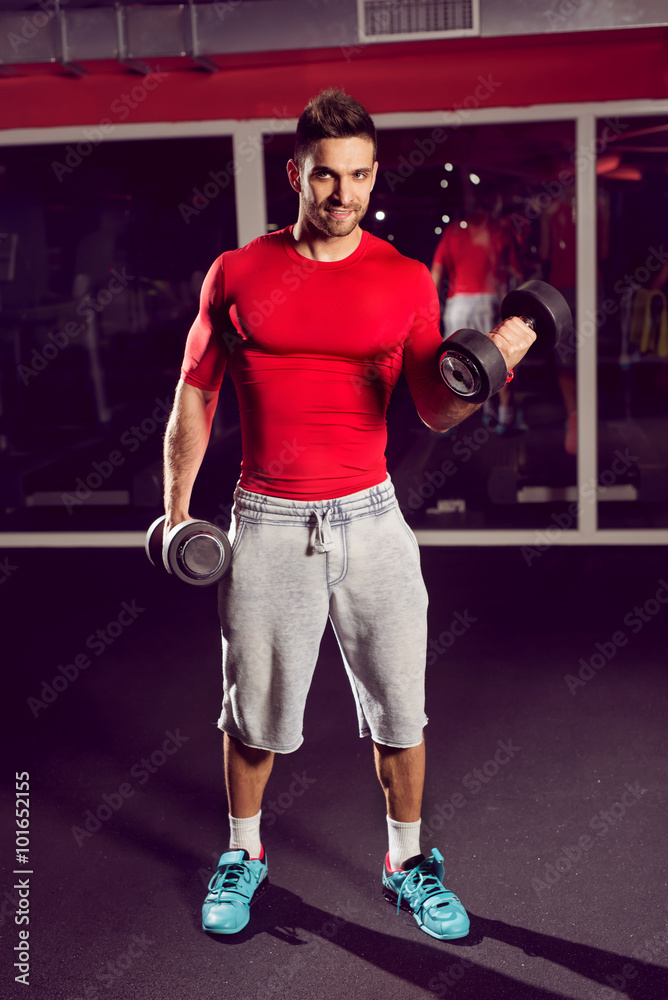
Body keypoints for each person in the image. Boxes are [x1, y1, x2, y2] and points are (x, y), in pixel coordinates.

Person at [162, 89, 534, 941]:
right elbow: (196, 391)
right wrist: (176, 513)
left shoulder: (403, 280)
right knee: (251, 712)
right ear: (296, 174)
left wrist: (497, 360)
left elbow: (436, 408)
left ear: (373, 175)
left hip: (371, 521)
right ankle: (244, 854)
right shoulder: (238, 272)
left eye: (360, 176)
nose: (343, 195)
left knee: (402, 710)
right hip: (266, 520)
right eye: (326, 177)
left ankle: (408, 864)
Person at [431, 200, 523, 432]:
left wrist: (432, 310)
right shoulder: (500, 230)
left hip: (459, 304)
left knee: (457, 362)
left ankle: (446, 420)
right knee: (500, 359)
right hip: (491, 302)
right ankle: (503, 417)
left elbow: (437, 272)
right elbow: (516, 273)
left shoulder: (453, 230)